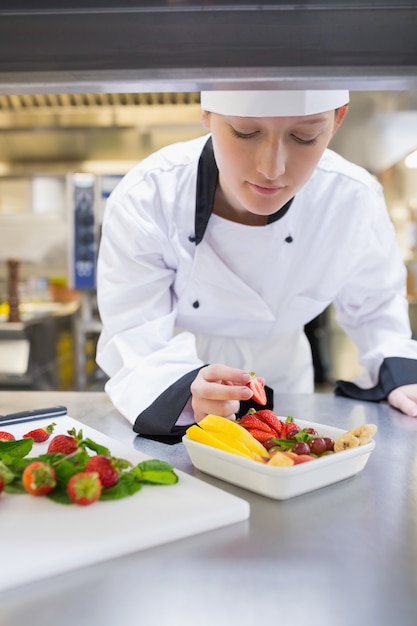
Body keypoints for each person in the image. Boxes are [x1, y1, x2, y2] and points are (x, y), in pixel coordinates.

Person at [96, 89, 417, 442]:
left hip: (289, 381)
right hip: (177, 384)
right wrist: (186, 391)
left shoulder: (352, 197)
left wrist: (401, 378)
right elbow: (134, 331)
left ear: (338, 119)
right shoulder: (150, 195)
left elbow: (377, 308)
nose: (272, 168)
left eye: (304, 137)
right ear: (207, 113)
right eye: (245, 133)